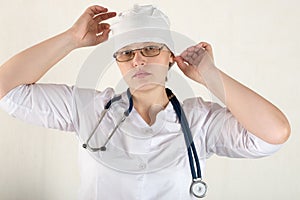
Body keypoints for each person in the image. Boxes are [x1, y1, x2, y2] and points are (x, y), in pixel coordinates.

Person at [0, 4, 291, 200]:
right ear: (118, 63)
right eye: (126, 53)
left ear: (170, 57)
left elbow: (274, 133)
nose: (137, 59)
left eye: (150, 48)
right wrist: (72, 38)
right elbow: (5, 88)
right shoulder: (89, 109)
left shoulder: (201, 120)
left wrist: (210, 76)